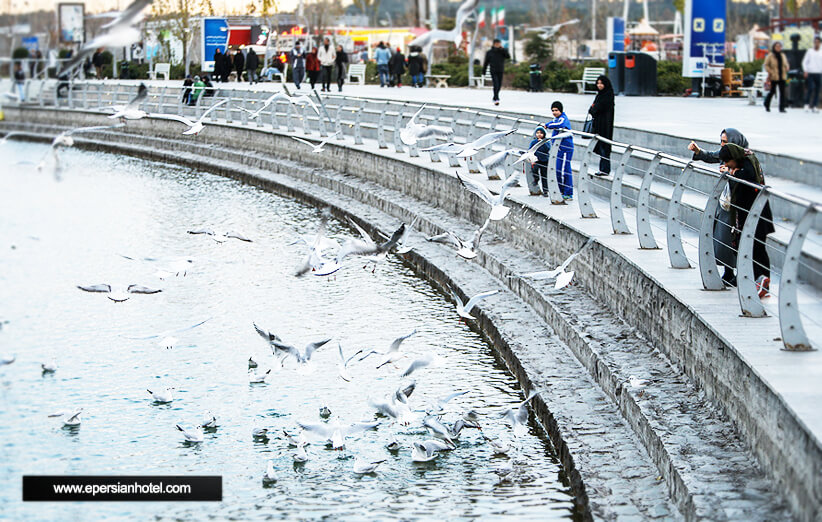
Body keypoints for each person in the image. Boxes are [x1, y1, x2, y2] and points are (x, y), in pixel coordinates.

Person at [689, 128, 749, 286]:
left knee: (736, 239)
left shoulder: (745, 157)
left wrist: (730, 172)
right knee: (722, 237)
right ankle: (728, 271)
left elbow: (749, 179)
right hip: (725, 204)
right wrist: (698, 151)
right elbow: (711, 156)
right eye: (721, 141)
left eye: (725, 141)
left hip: (739, 206)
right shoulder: (725, 154)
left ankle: (739, 273)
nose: (722, 145)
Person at [718, 143, 775, 298]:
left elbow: (748, 177)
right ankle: (761, 281)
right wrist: (733, 172)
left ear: (734, 158)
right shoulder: (741, 164)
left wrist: (733, 173)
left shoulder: (749, 161)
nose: (727, 165)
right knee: (752, 248)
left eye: (728, 162)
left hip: (757, 214)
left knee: (758, 248)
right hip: (748, 215)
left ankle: (763, 280)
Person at [545, 101, 574, 199]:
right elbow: (553, 122)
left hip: (566, 148)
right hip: (558, 149)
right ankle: (560, 190)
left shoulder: (563, 119)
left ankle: (568, 192)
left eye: (556, 110)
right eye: (552, 110)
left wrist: (548, 125)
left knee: (565, 169)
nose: (554, 112)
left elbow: (560, 124)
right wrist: (547, 124)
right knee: (557, 169)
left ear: (561, 110)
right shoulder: (556, 119)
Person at [589, 75, 615, 176]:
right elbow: (592, 110)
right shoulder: (600, 95)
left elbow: (596, 108)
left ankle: (605, 169)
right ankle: (603, 169)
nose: (599, 85)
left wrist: (594, 108)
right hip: (599, 125)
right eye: (598, 83)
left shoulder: (608, 95)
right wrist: (593, 108)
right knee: (601, 146)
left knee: (605, 147)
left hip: (605, 126)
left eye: (601, 83)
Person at [525, 126, 552, 196]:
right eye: (537, 133)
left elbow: (547, 149)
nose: (539, 135)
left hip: (544, 161)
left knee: (544, 176)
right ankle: (536, 179)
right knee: (534, 170)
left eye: (541, 133)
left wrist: (542, 142)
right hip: (536, 160)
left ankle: (545, 190)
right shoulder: (534, 142)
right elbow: (530, 150)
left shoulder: (546, 141)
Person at [764, 41, 789, 113]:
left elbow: (786, 63)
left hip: (782, 76)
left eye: (779, 46)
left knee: (782, 92)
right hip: (774, 76)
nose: (778, 48)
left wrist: (787, 67)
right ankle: (767, 104)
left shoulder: (783, 55)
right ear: (774, 47)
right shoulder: (770, 55)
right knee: (772, 91)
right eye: (777, 46)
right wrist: (770, 71)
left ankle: (782, 108)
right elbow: (766, 65)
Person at [483, 39, 510, 105]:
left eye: (499, 44)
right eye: (497, 44)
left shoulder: (502, 51)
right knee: (496, 84)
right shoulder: (489, 52)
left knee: (499, 85)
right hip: (493, 70)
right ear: (494, 44)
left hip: (500, 70)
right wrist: (484, 71)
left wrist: (503, 50)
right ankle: (496, 98)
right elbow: (486, 62)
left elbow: (508, 57)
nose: (498, 45)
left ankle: (495, 97)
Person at [802, 35, 822, 112]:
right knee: (810, 88)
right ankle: (806, 104)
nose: (816, 44)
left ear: (820, 43)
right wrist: (805, 70)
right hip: (810, 72)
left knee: (817, 90)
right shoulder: (809, 51)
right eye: (815, 42)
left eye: (818, 42)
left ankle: (814, 106)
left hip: (819, 73)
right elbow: (804, 61)